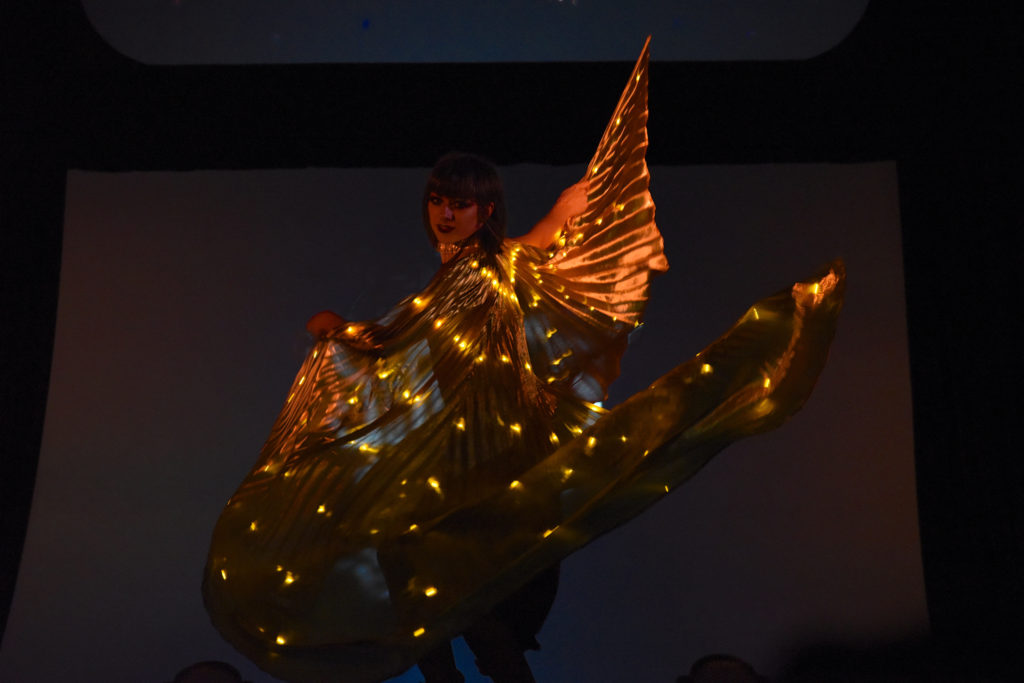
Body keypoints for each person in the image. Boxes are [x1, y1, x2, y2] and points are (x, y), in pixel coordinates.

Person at [203, 39, 844, 683]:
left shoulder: (492, 262)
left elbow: (519, 257)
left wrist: (571, 209)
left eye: (460, 203)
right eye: (437, 201)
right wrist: (343, 335)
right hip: (435, 465)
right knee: (424, 604)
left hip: (477, 463)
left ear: (484, 209)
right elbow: (406, 340)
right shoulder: (446, 282)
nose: (446, 214)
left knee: (470, 612)